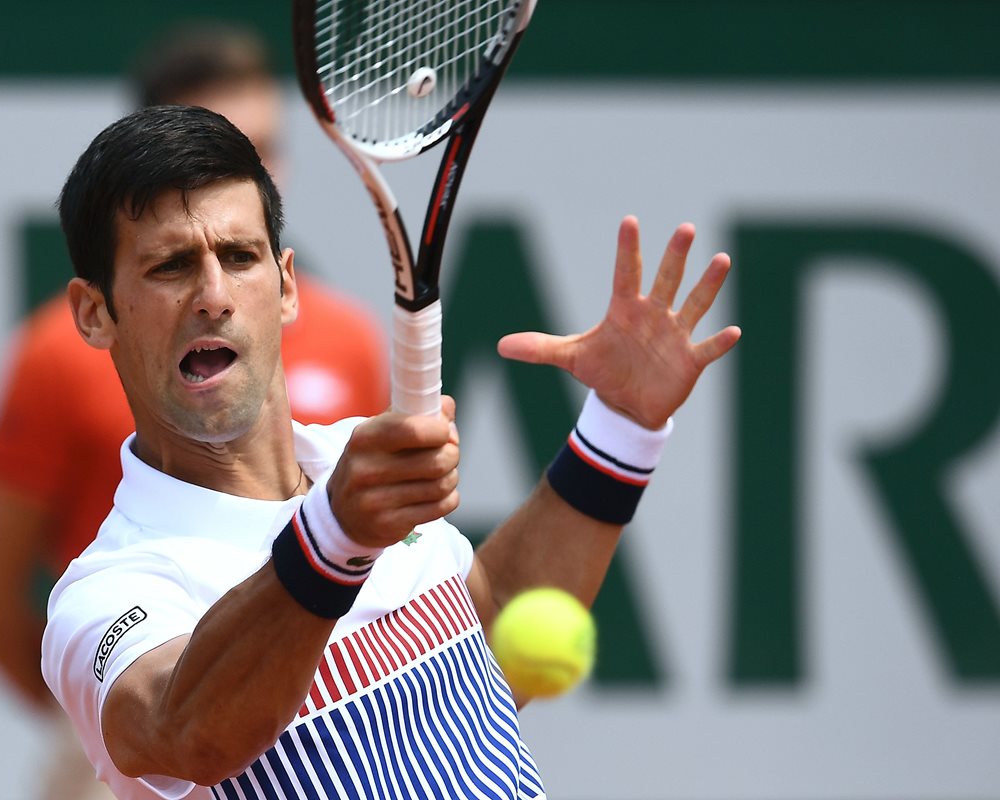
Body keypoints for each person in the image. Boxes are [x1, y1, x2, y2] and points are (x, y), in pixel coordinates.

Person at [40, 104, 741, 800]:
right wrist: (333, 537)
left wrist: (619, 430)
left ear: (286, 286)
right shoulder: (108, 595)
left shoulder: (356, 461)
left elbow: (483, 649)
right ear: (95, 313)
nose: (214, 295)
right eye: (170, 266)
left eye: (240, 256)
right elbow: (186, 730)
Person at [0, 23, 388, 800]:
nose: (242, 167)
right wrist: (106, 718)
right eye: (213, 140)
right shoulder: (53, 357)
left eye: (260, 148)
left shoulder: (350, 336)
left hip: (341, 716)